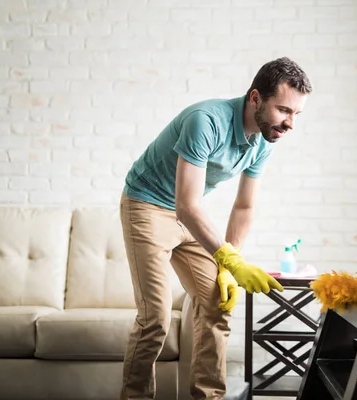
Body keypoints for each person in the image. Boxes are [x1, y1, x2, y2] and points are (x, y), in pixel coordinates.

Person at [119, 57, 312, 400]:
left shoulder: (264, 142)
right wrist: (233, 262)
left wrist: (227, 261)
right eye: (284, 110)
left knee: (217, 303)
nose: (290, 123)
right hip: (147, 205)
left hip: (186, 216)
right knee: (155, 319)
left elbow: (244, 206)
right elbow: (187, 205)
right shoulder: (205, 121)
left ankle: (209, 397)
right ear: (256, 98)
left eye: (296, 113)